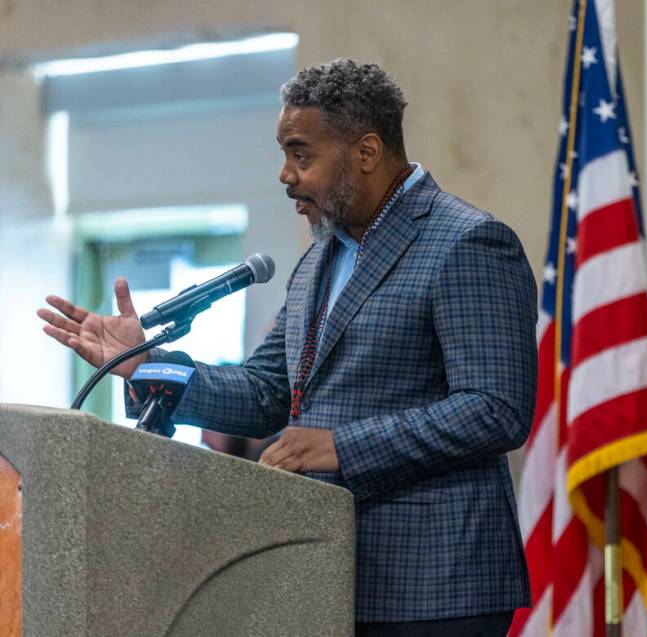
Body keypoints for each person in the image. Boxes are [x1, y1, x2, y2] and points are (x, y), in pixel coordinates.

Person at [38, 58, 537, 636]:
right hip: (324, 570)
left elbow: (495, 409)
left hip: (434, 584)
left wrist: (340, 448)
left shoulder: (466, 242)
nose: (284, 175)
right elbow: (263, 393)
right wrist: (145, 364)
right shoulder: (319, 260)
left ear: (367, 152)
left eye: (301, 154)